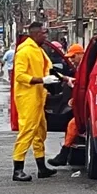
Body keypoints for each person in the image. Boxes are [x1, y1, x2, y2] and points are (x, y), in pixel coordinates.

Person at [12, 21, 60, 182]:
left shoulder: (39, 50)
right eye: (43, 33)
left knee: (40, 131)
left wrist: (66, 79)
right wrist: (41, 80)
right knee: (27, 131)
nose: (46, 35)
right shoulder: (25, 51)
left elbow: (50, 69)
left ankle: (42, 167)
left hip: (39, 96)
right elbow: (19, 76)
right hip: (28, 97)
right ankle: (18, 169)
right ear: (35, 34)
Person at [48, 43, 85, 167]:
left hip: (88, 108)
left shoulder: (86, 68)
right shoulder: (81, 68)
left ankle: (64, 154)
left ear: (81, 54)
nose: (71, 60)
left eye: (73, 57)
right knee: (70, 125)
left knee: (72, 125)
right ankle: (67, 154)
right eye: (69, 58)